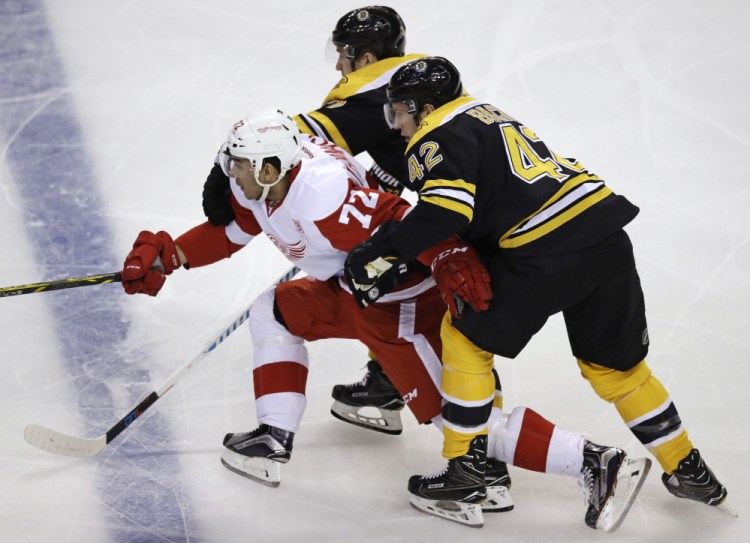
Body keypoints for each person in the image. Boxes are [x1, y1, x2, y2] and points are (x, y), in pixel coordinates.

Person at [121, 109, 650, 530]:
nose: (232, 176)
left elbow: (398, 218)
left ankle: (595, 462)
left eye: (240, 167)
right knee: (277, 311)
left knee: (459, 422)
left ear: (270, 169)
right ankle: (271, 439)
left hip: (401, 306)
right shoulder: (264, 177)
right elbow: (234, 228)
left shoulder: (325, 196)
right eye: (231, 164)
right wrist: (172, 255)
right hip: (355, 291)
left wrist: (447, 257)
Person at [344, 56, 729, 525]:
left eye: (398, 113)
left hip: (546, 252)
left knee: (463, 337)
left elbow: (446, 211)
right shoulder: (486, 113)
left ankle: (466, 470)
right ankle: (686, 466)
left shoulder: (434, 134)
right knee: (618, 370)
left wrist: (381, 251)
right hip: (605, 238)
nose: (397, 125)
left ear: (423, 107)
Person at [200, 5, 427, 438]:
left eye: (345, 53)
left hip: (466, 224)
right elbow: (411, 149)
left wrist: (223, 161)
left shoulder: (369, 96)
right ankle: (388, 380)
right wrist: (390, 175)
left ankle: (479, 456)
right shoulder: (410, 78)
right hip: (460, 209)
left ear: (365, 59)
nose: (339, 64)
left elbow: (290, 136)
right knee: (382, 279)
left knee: (431, 312)